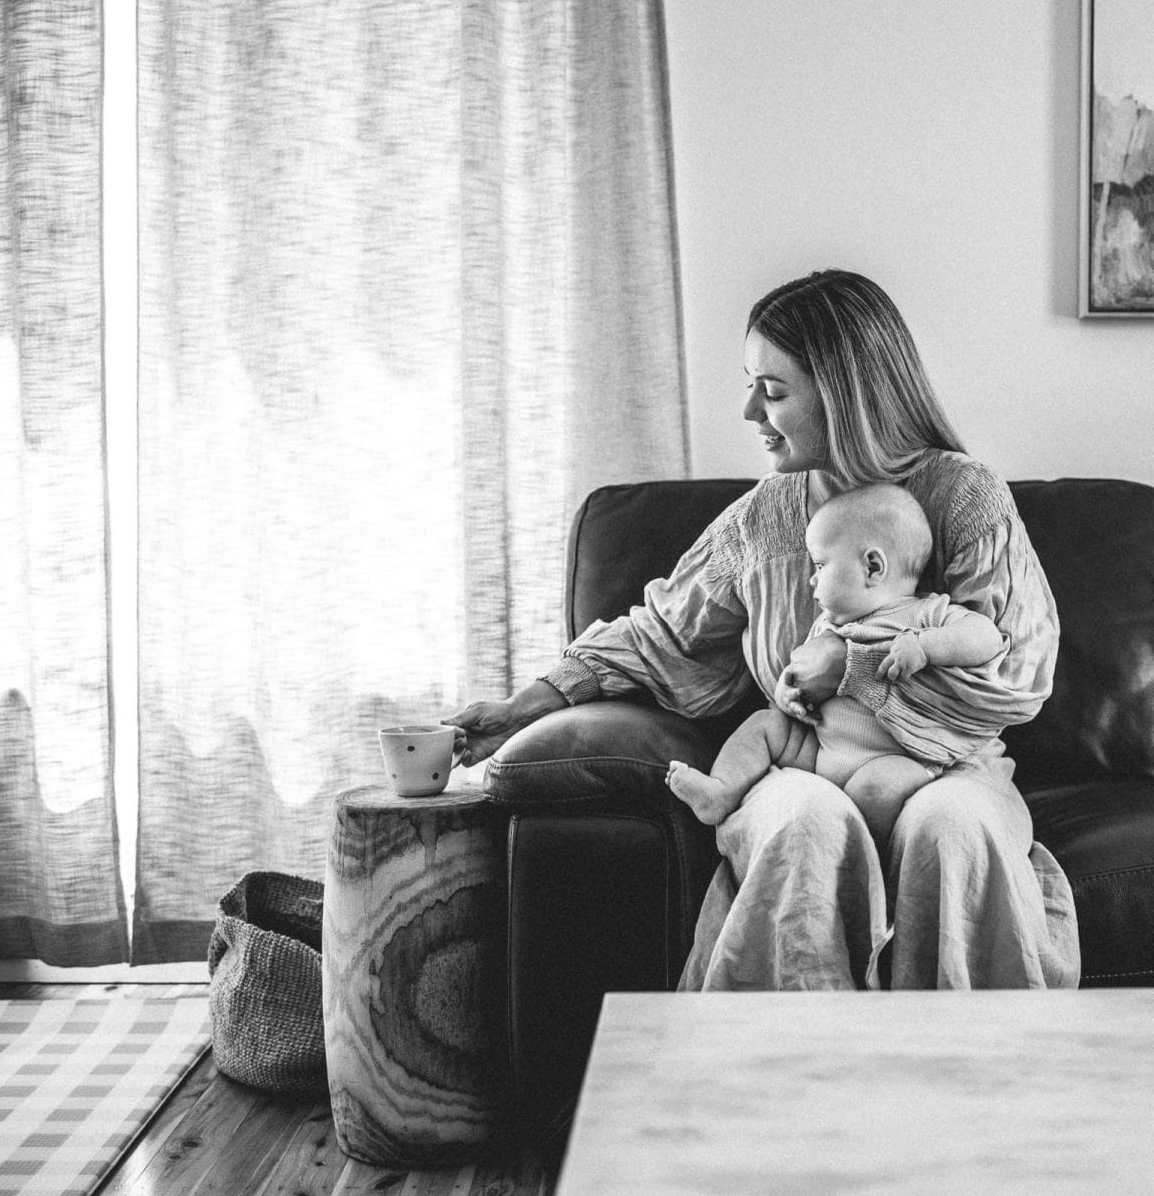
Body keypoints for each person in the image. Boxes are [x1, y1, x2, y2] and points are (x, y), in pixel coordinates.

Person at [447, 268, 1079, 991]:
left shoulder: (964, 496)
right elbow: (661, 635)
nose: (750, 409)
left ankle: (976, 1055)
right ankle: (782, 1056)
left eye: (773, 391)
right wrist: (523, 706)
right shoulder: (761, 521)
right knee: (805, 822)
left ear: (844, 396)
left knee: (953, 829)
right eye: (751, 385)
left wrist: (852, 668)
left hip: (948, 767)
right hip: (807, 767)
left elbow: (1015, 670)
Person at [663, 482, 1006, 852]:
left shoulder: (925, 613)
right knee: (764, 726)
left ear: (872, 567)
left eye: (821, 565)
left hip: (898, 757)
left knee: (874, 790)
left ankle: (871, 858)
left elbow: (986, 637)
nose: (812, 578)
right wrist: (787, 691)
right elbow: (800, 672)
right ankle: (720, 791)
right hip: (819, 751)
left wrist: (924, 647)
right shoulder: (828, 625)